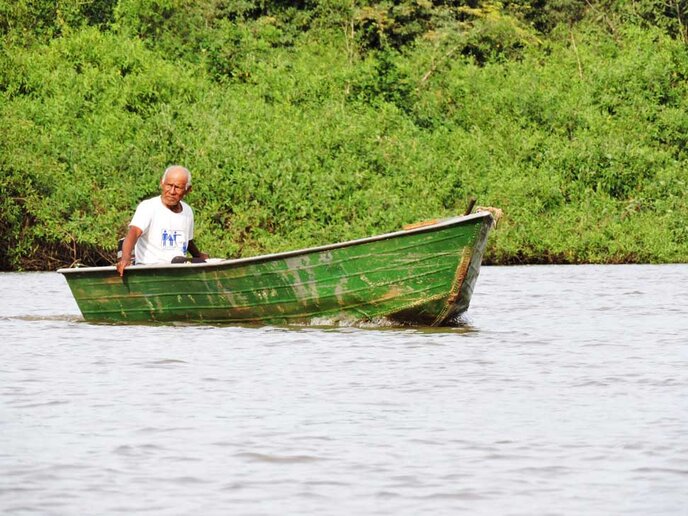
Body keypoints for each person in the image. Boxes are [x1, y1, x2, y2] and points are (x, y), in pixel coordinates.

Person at [116, 165, 208, 277]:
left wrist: (198, 255)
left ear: (187, 190)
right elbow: (133, 233)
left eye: (177, 187)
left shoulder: (187, 211)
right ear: (162, 183)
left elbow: (187, 241)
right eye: (169, 185)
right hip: (151, 268)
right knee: (179, 261)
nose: (172, 191)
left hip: (178, 267)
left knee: (189, 262)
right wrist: (125, 258)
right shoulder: (149, 207)